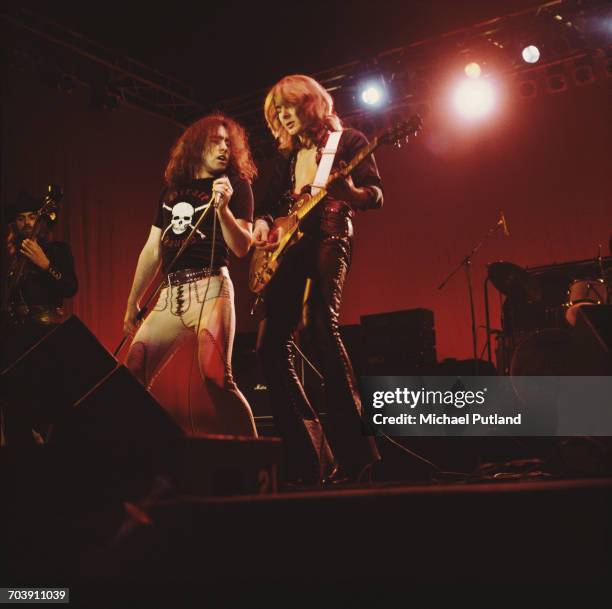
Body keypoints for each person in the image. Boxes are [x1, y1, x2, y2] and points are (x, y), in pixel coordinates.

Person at [253, 74, 383, 484]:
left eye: (289, 106)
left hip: (329, 235)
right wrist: (261, 227)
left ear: (310, 103)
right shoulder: (283, 160)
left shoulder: (349, 142)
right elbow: (271, 208)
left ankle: (358, 454)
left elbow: (376, 195)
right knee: (268, 346)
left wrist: (350, 194)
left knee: (318, 330)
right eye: (277, 112)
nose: (283, 116)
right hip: (289, 249)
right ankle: (311, 453)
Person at [122, 114, 257, 437]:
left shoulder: (237, 186)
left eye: (228, 142)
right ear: (197, 145)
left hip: (211, 288)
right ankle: (154, 457)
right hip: (169, 297)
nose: (224, 147)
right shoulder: (172, 191)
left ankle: (260, 458)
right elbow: (152, 248)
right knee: (132, 373)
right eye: (216, 141)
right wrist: (133, 301)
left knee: (216, 377)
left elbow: (242, 246)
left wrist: (223, 209)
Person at [1, 190, 78, 444]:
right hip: (14, 339)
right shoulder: (8, 259)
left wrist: (45, 264)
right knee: (16, 408)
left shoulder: (57, 250)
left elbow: (69, 288)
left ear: (41, 220)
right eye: (21, 218)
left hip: (46, 338)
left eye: (32, 216)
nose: (27, 223)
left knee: (46, 404)